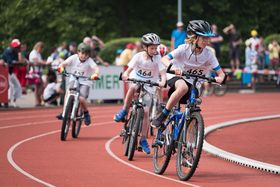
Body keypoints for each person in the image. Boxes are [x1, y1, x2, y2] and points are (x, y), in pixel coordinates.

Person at [152, 20, 226, 128]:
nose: (207, 41)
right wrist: (174, 68)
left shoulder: (209, 54)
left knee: (192, 104)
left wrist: (219, 78)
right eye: (204, 38)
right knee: (183, 88)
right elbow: (165, 59)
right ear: (195, 38)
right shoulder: (183, 49)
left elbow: (221, 74)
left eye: (208, 38)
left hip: (194, 83)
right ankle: (163, 115)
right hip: (176, 77)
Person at [114, 33, 167, 154]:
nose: (155, 50)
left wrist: (162, 82)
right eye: (152, 48)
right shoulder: (138, 56)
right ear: (145, 47)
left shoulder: (158, 58)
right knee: (133, 88)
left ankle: (143, 139)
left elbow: (163, 74)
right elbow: (128, 71)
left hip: (150, 84)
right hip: (136, 79)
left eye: (156, 48)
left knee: (147, 111)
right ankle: (124, 110)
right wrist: (126, 75)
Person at [57, 43, 100, 126]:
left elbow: (96, 68)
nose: (84, 56)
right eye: (82, 53)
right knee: (68, 92)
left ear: (89, 55)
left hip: (85, 81)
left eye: (86, 54)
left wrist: (96, 74)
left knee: (81, 98)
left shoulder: (90, 61)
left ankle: (86, 113)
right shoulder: (73, 58)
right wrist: (61, 68)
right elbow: (63, 64)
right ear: (78, 52)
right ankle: (64, 112)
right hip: (74, 78)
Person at [2, 39, 23, 107]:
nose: (18, 48)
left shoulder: (16, 52)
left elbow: (18, 61)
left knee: (17, 86)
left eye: (18, 46)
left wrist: (21, 61)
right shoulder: (8, 51)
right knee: (10, 86)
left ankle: (12, 101)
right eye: (16, 46)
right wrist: (20, 63)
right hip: (4, 72)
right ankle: (6, 102)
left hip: (10, 72)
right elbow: (10, 62)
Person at [28, 41, 46, 107]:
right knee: (38, 86)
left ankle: (38, 100)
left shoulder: (38, 53)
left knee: (39, 86)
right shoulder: (33, 53)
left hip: (38, 71)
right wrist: (44, 63)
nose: (41, 50)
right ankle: (37, 101)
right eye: (41, 48)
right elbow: (36, 61)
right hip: (35, 72)